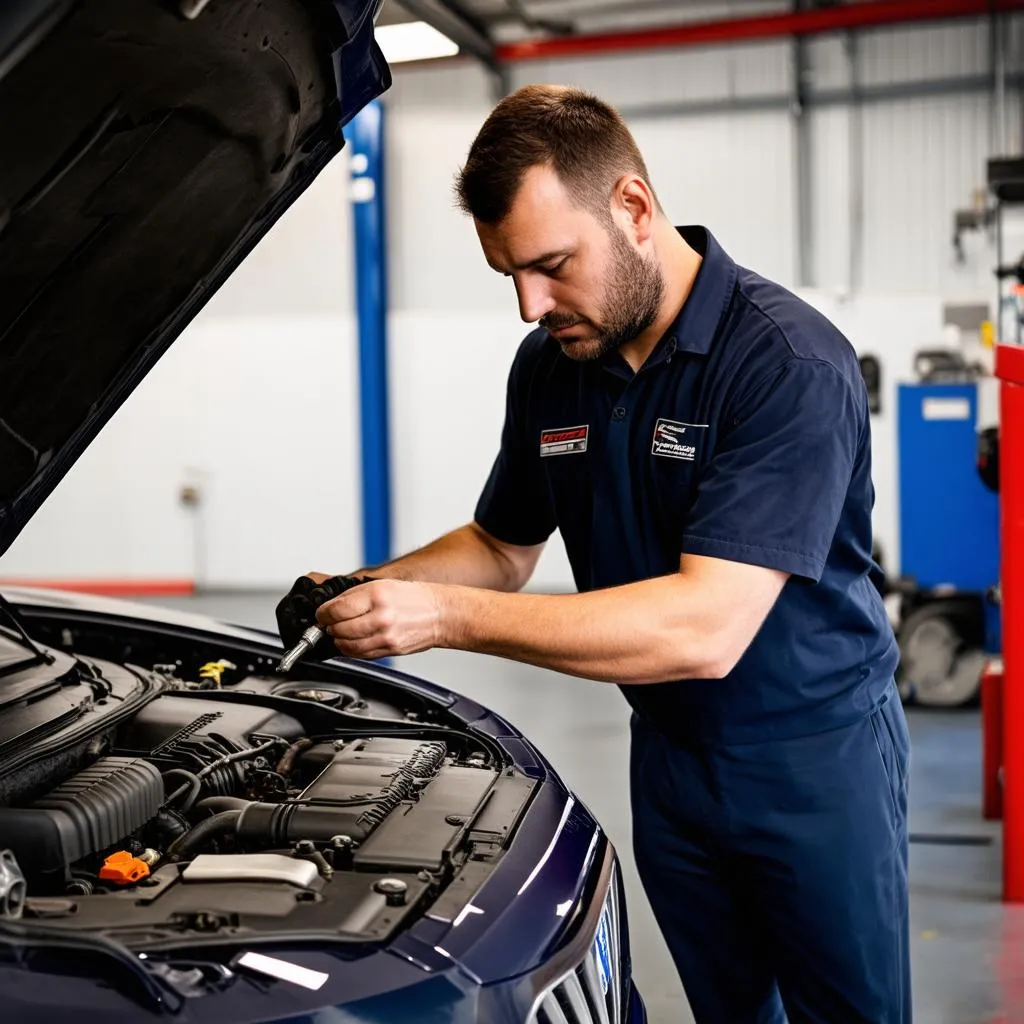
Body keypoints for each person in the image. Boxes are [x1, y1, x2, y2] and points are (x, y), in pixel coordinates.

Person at [288, 85, 910, 1023]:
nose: (530, 305)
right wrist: (374, 587)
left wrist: (443, 617)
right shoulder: (553, 366)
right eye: (510, 275)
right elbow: (502, 547)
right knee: (728, 1012)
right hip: (670, 757)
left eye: (551, 265)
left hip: (813, 760)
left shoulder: (785, 365)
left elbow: (705, 630)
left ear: (632, 207)